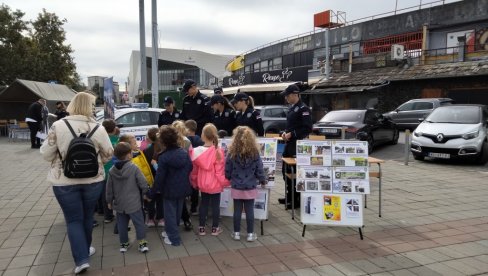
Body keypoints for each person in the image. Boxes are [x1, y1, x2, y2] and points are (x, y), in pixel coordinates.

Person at [40, 92, 113, 274]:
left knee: (73, 219)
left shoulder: (58, 125)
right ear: (90, 107)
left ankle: (81, 259)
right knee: (88, 217)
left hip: (63, 181)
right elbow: (109, 153)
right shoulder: (99, 128)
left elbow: (46, 154)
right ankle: (86, 249)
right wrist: (97, 163)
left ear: (72, 105)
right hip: (93, 181)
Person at [106, 142, 150, 253]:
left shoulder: (111, 171)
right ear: (129, 155)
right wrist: (146, 193)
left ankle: (124, 244)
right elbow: (143, 182)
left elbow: (109, 188)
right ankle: (142, 243)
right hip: (134, 203)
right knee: (139, 223)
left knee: (122, 225)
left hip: (119, 204)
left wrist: (109, 201)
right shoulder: (134, 168)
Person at [153, 125, 193, 246]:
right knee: (177, 211)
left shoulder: (164, 157)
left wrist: (152, 192)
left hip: (169, 189)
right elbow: (190, 167)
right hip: (182, 187)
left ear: (163, 141)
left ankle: (174, 238)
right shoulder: (183, 153)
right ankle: (171, 231)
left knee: (169, 213)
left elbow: (160, 178)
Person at [225, 126, 266, 242]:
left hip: (236, 185)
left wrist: (228, 177)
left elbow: (227, 168)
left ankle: (236, 233)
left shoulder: (232, 152)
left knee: (237, 210)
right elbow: (260, 169)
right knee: (250, 211)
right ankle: (250, 234)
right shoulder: (255, 153)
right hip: (250, 186)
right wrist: (262, 180)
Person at [190, 124, 229, 236]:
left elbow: (194, 171)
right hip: (215, 184)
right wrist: (226, 182)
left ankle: (201, 228)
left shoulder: (196, 152)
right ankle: (214, 229)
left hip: (203, 183)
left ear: (203, 135)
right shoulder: (218, 151)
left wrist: (194, 181)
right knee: (215, 206)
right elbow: (219, 172)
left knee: (203, 204)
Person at [278, 84, 313, 208]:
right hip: (289, 144)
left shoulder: (304, 109)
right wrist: (284, 133)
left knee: (294, 173)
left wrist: (291, 134)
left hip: (297, 145)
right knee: (285, 172)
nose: (286, 98)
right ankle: (289, 196)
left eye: (287, 96)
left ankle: (295, 200)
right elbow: (290, 126)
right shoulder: (292, 108)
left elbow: (307, 128)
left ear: (294, 94)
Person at [171, 120, 193, 230]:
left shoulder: (170, 141)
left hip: (172, 172)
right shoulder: (187, 141)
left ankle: (179, 219)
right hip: (184, 172)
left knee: (173, 199)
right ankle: (186, 219)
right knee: (182, 198)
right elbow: (191, 157)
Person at [98, 119, 119, 224]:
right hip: (115, 171)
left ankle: (106, 214)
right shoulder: (117, 140)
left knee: (104, 193)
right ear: (114, 129)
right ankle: (115, 212)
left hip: (103, 171)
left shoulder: (100, 140)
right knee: (115, 192)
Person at [142, 127, 164, 228]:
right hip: (161, 178)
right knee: (160, 199)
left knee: (151, 199)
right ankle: (161, 218)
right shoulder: (163, 148)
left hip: (150, 178)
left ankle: (150, 219)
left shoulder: (146, 150)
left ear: (149, 138)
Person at [184, 119, 204, 215]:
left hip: (186, 166)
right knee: (195, 188)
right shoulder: (199, 140)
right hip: (196, 167)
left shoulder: (184, 140)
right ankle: (193, 208)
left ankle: (185, 206)